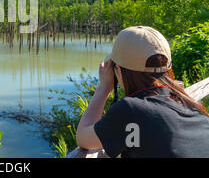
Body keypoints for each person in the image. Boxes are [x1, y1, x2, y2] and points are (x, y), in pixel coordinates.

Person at [76, 26, 209, 158]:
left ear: (118, 70)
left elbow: (83, 137)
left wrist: (103, 89)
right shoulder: (191, 106)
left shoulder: (131, 110)